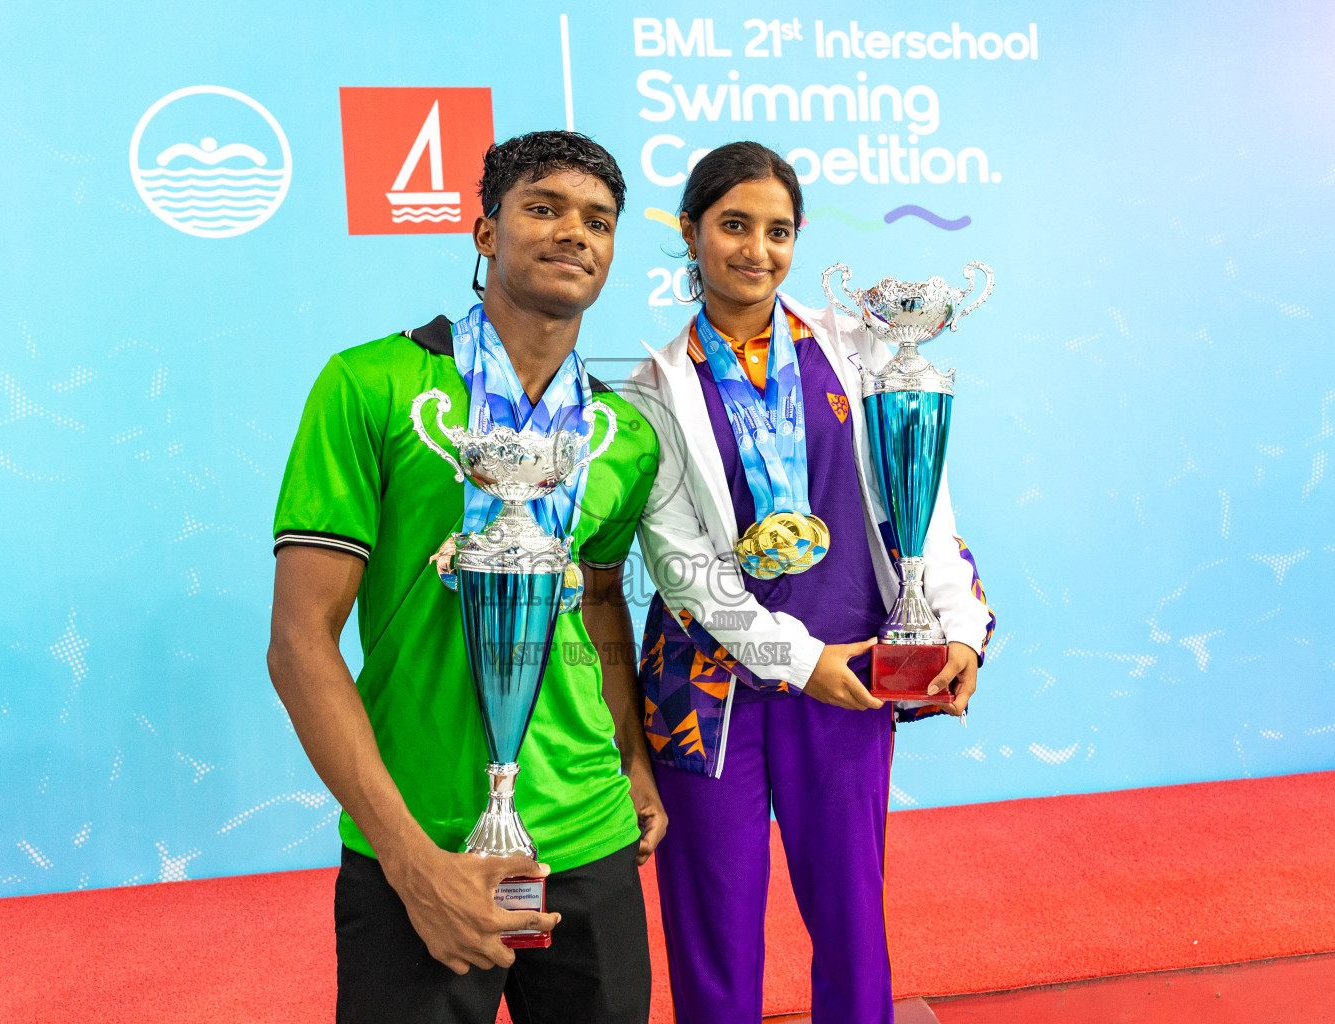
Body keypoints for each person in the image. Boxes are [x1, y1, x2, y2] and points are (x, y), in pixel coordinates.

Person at [267, 131, 665, 1024]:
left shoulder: (623, 434)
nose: (575, 233)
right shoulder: (372, 384)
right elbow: (298, 644)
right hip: (422, 843)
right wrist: (410, 863)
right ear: (484, 233)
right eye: (545, 208)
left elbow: (599, 604)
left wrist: (634, 759)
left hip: (590, 836)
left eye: (599, 221)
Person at [625, 142, 996, 1024]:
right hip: (708, 689)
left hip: (855, 673)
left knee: (851, 916)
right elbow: (683, 569)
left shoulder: (859, 349)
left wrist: (960, 629)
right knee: (712, 924)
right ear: (691, 232)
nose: (758, 249)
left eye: (778, 230)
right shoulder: (652, 390)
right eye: (734, 226)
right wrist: (799, 660)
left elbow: (923, 507)